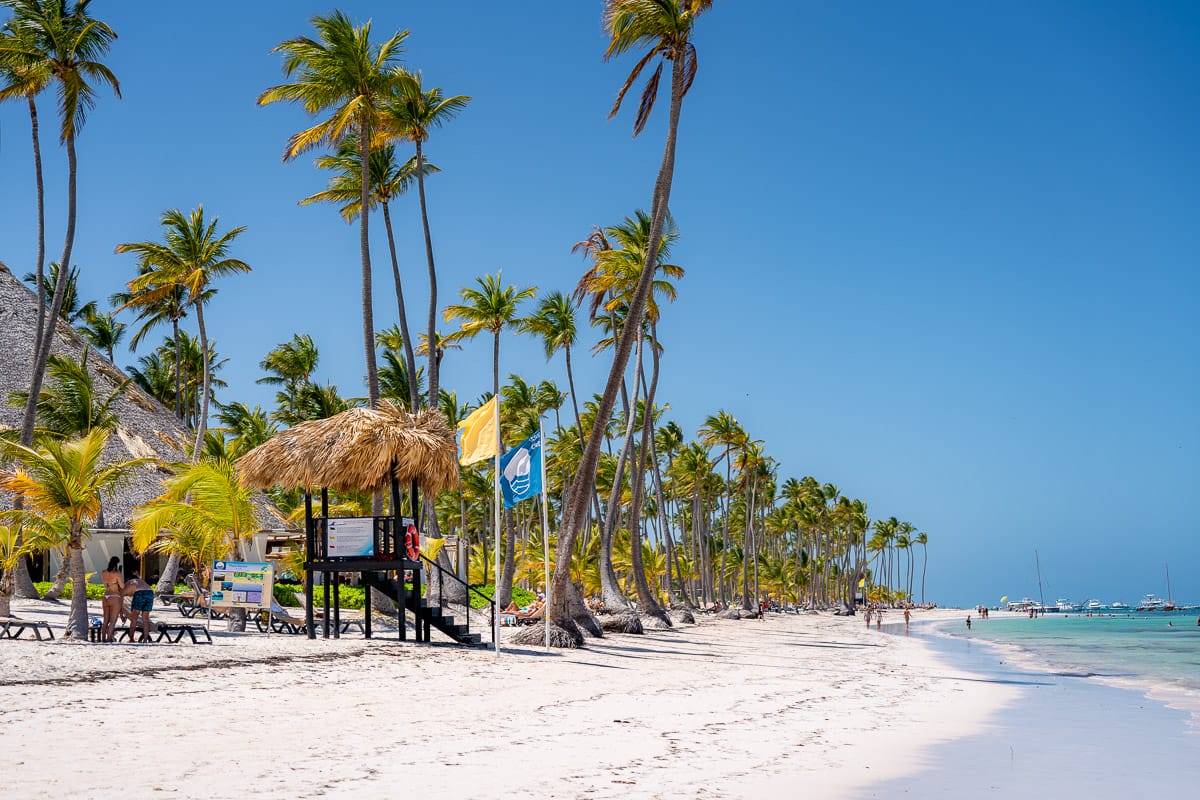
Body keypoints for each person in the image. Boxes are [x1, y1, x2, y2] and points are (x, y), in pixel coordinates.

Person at [123, 574, 155, 642]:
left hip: (140, 593)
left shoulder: (130, 582)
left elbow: (124, 593)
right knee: (145, 619)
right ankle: (145, 639)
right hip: (150, 593)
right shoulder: (142, 582)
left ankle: (131, 638)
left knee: (134, 618)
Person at [100, 557, 124, 643]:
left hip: (106, 596)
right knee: (113, 621)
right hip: (114, 596)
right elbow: (122, 586)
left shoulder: (104, 572)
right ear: (116, 564)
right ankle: (109, 639)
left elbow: (106, 584)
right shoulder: (117, 573)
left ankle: (103, 639)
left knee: (105, 621)